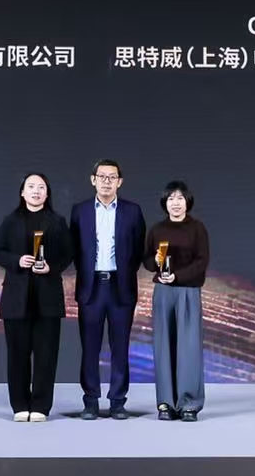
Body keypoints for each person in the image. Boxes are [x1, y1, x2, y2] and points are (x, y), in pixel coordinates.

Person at [0, 172, 72, 422]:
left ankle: (40, 406)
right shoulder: (10, 221)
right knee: (17, 354)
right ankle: (19, 405)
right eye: (31, 187)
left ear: (47, 194)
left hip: (47, 298)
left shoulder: (57, 221)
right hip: (16, 298)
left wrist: (51, 267)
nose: (36, 191)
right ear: (22, 193)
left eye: (41, 187)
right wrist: (17, 261)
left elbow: (68, 255)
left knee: (46, 355)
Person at [70, 158, 147, 419]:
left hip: (120, 287)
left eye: (112, 177)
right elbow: (74, 248)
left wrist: (124, 272)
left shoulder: (132, 211)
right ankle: (90, 401)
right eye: (101, 176)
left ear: (119, 182)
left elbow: (138, 249)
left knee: (120, 347)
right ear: (93, 180)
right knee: (89, 348)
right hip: (91, 287)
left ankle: (117, 401)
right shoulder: (80, 211)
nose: (106, 181)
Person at [143, 180, 210, 420]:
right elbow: (147, 261)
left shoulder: (197, 228)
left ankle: (189, 404)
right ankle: (166, 404)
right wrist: (156, 261)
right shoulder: (157, 229)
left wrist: (178, 276)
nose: (175, 203)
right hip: (163, 292)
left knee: (188, 347)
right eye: (171, 199)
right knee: (164, 347)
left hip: (187, 291)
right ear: (165, 203)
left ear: (187, 202)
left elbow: (202, 261)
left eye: (180, 198)